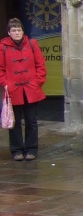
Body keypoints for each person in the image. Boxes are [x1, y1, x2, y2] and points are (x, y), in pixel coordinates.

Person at [0, 18, 46, 161]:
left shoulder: (32, 44)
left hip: (31, 90)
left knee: (31, 121)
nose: (17, 32)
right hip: (13, 90)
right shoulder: (3, 47)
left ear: (23, 31)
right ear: (9, 32)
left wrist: (37, 82)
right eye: (14, 30)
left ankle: (31, 149)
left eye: (19, 30)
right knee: (15, 123)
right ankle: (17, 150)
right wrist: (5, 84)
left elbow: (41, 65)